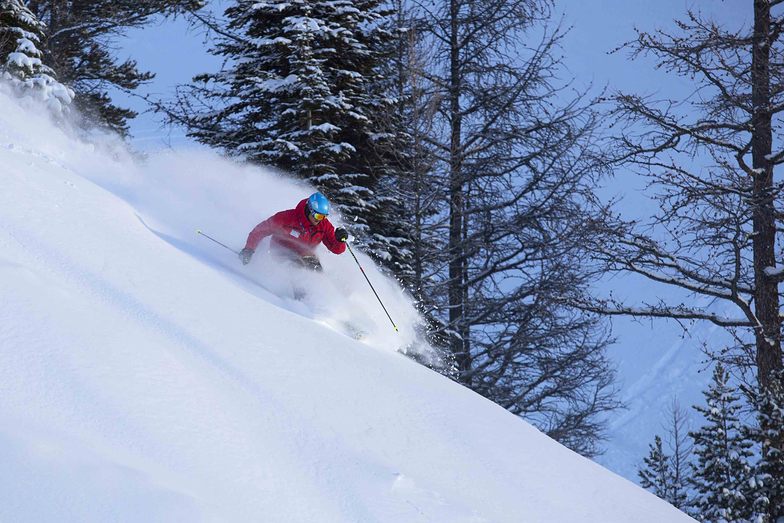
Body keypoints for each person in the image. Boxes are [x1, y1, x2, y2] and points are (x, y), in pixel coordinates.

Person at [238, 192, 348, 271]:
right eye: (318, 215)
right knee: (296, 267)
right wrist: (249, 248)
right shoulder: (287, 218)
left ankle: (318, 297)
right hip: (282, 251)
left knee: (316, 271)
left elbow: (336, 249)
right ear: (309, 209)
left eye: (324, 216)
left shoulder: (323, 225)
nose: (319, 220)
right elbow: (261, 230)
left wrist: (339, 240)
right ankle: (297, 300)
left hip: (305, 254)